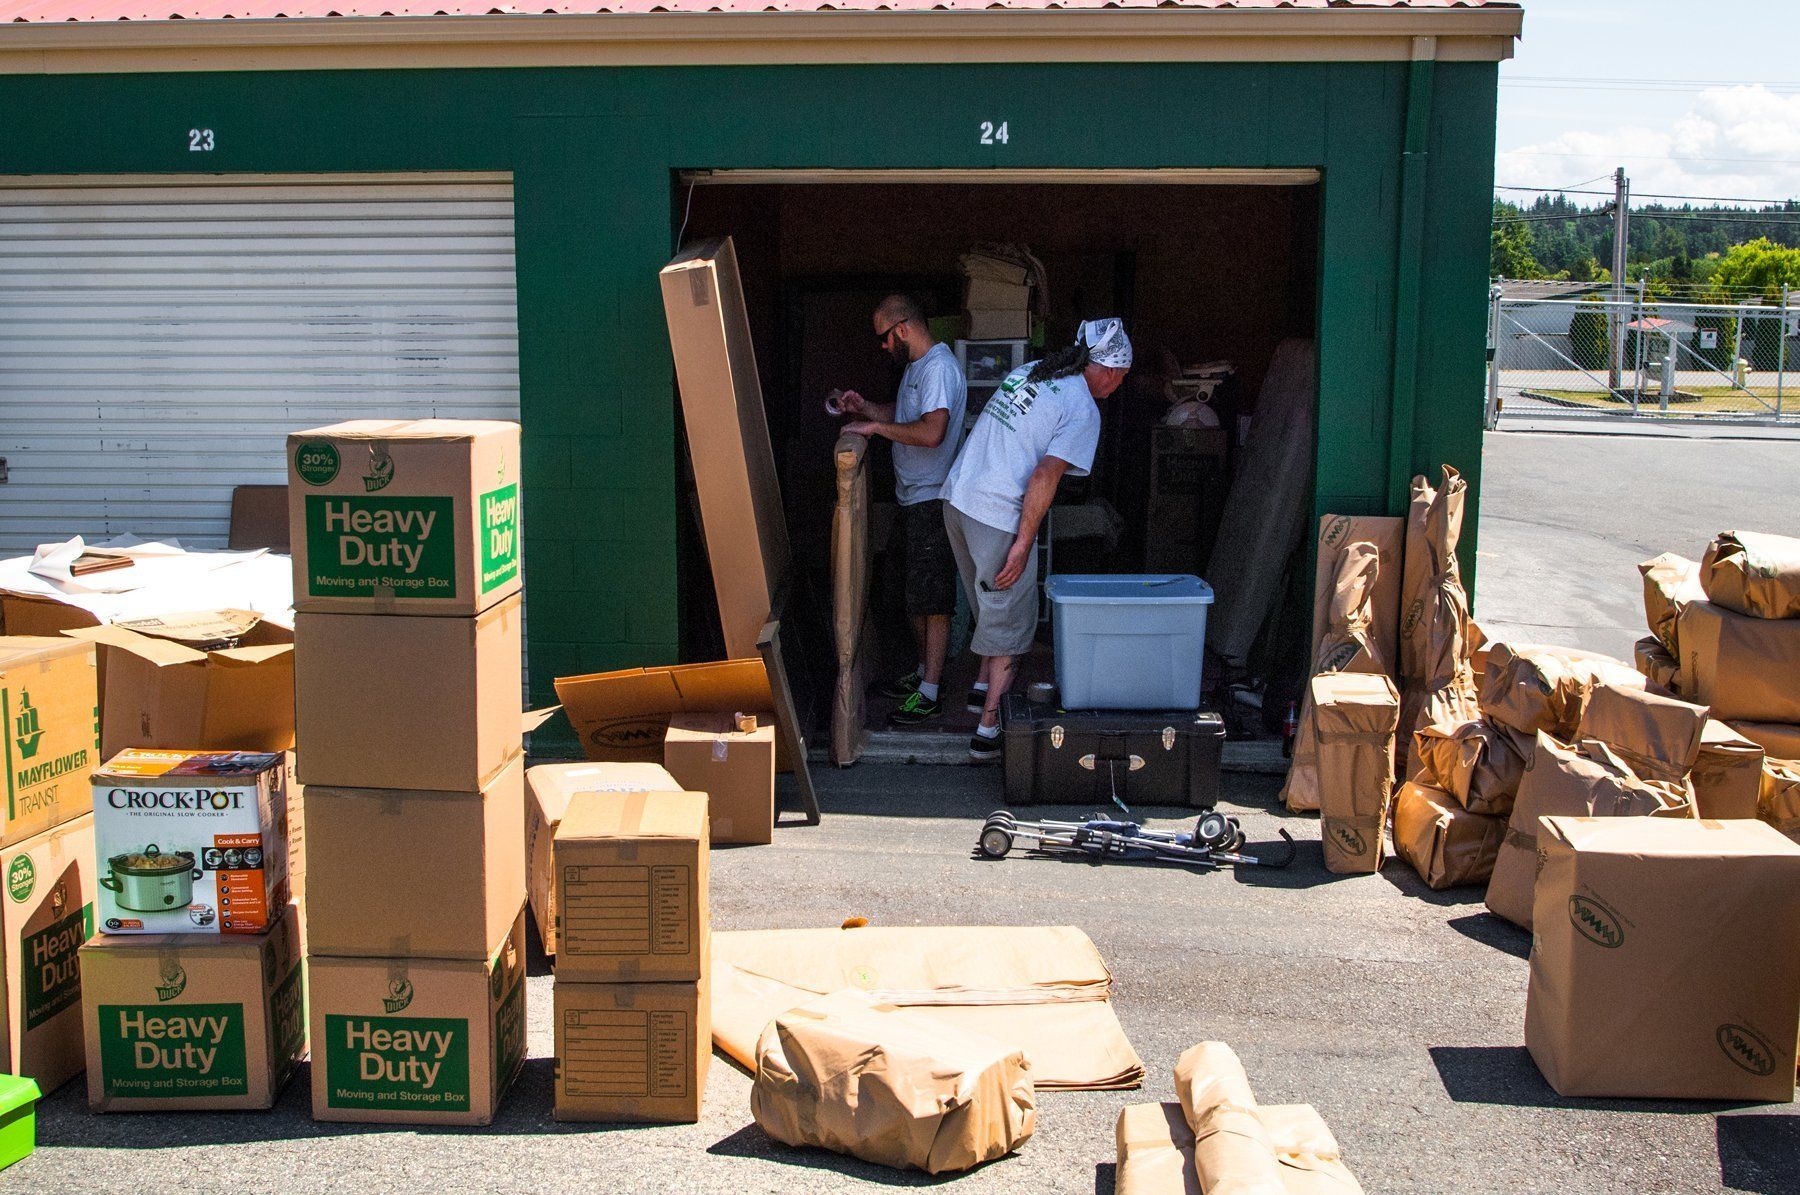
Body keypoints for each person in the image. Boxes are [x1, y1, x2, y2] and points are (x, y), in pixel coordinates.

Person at [940, 318, 1133, 762]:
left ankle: (980, 687)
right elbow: (1046, 474)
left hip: (958, 500)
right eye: (1120, 375)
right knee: (1011, 621)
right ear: (1104, 369)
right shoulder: (1083, 408)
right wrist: (1025, 542)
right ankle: (987, 731)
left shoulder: (1029, 374)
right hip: (994, 513)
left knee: (989, 601)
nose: (1120, 385)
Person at [840, 294, 969, 725]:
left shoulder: (938, 368)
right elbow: (906, 414)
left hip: (933, 499)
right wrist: (868, 410)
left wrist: (877, 429)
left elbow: (932, 432)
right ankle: (922, 674)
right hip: (912, 498)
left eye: (883, 337)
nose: (881, 346)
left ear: (902, 328)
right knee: (911, 592)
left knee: (933, 600)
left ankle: (931, 689)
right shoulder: (917, 369)